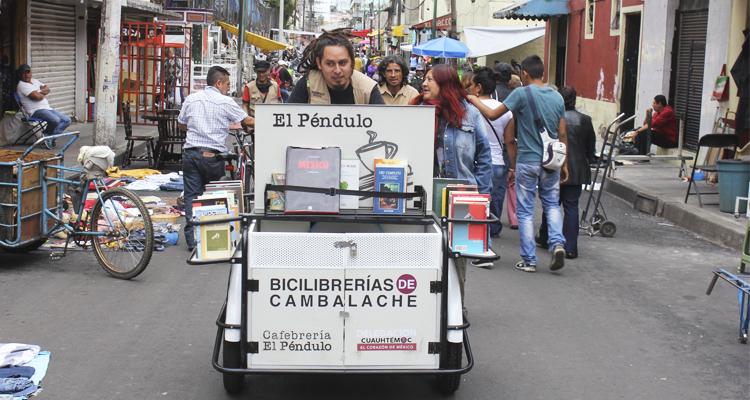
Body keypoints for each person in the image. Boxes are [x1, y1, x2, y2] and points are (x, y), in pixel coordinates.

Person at [467, 55, 568, 273]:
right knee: (551, 204)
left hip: (528, 160)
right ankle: (558, 243)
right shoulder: (557, 96)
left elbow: (494, 115)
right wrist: (564, 163)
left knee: (525, 211)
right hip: (552, 160)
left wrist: (474, 100)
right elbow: (561, 133)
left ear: (524, 74)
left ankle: (529, 260)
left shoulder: (521, 93)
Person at [411, 64, 492, 308]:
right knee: (421, 253)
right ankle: (425, 309)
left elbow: (484, 157)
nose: (424, 84)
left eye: (430, 80)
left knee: (456, 258)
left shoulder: (469, 113)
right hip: (422, 196)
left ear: (445, 85)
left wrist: (481, 199)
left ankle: (457, 309)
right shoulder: (415, 111)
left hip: (460, 198)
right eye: (424, 79)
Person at [178, 66, 255, 252]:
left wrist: (198, 130)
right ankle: (213, 238)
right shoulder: (224, 101)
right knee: (214, 198)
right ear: (218, 83)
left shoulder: (191, 98)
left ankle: (192, 240)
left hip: (191, 154)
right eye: (227, 84)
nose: (228, 88)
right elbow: (247, 121)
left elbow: (181, 124)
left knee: (191, 196)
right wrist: (271, 121)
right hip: (213, 157)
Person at [536, 86, 595, 260]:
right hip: (576, 169)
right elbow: (590, 147)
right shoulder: (584, 120)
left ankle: (546, 236)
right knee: (571, 207)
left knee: (551, 204)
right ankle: (570, 246)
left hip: (555, 165)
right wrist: (587, 161)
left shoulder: (552, 117)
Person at [470, 67, 514, 241]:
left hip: (477, 163)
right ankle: (481, 242)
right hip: (498, 165)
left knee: (477, 207)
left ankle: (481, 245)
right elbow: (509, 142)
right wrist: (513, 168)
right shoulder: (505, 110)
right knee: (486, 204)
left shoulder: (470, 107)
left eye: (472, 85)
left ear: (478, 87)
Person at [287, 29, 385, 105]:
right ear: (319, 63)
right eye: (330, 64)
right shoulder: (308, 83)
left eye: (342, 63)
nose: (337, 70)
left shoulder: (368, 89)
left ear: (351, 62)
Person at [15, 64, 71, 149]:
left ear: (31, 73)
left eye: (28, 72)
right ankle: (48, 135)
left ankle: (49, 136)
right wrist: (41, 93)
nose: (27, 75)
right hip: (35, 111)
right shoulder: (22, 85)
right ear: (20, 75)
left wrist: (39, 91)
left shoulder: (34, 81)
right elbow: (38, 97)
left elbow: (47, 89)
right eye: (24, 73)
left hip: (47, 109)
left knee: (67, 120)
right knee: (55, 120)